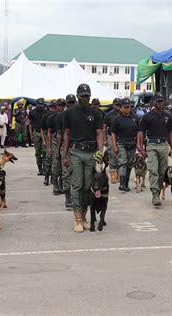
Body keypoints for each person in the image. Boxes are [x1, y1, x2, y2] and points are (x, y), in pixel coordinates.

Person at [63, 84, 104, 233]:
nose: (85, 98)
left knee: (89, 186)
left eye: (87, 95)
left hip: (91, 152)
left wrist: (100, 153)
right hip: (75, 151)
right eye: (83, 96)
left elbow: (99, 133)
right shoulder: (69, 113)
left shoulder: (96, 113)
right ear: (77, 96)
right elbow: (66, 134)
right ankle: (77, 218)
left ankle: (85, 217)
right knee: (77, 184)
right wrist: (64, 155)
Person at [137, 92, 172, 206]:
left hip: (163, 145)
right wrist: (141, 148)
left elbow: (171, 133)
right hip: (151, 145)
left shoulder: (168, 116)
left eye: (161, 101)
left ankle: (159, 188)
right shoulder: (147, 116)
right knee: (153, 170)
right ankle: (155, 194)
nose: (160, 103)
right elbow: (141, 132)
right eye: (158, 101)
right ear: (154, 102)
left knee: (162, 171)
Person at [111, 97, 138, 192]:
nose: (127, 109)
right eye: (125, 107)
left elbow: (139, 132)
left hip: (132, 143)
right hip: (121, 142)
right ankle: (122, 183)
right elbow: (113, 133)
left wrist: (139, 144)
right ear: (121, 108)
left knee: (130, 164)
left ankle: (126, 183)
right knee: (123, 162)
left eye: (128, 107)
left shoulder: (135, 118)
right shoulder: (116, 119)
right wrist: (114, 146)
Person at [57, 94, 76, 208]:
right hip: (67, 146)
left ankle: (77, 197)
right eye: (69, 103)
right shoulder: (61, 116)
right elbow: (59, 133)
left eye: (73, 102)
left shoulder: (80, 114)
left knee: (78, 174)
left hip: (78, 146)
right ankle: (68, 198)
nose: (71, 104)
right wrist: (59, 149)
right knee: (66, 173)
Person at [102, 98, 122, 184]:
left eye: (119, 104)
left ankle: (119, 174)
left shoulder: (124, 114)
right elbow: (104, 128)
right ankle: (113, 175)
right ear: (113, 105)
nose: (118, 106)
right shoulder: (108, 115)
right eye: (116, 104)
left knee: (121, 156)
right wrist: (105, 139)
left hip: (121, 137)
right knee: (112, 155)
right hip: (110, 137)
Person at [47, 98, 64, 195]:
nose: (62, 107)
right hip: (54, 140)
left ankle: (62, 184)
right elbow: (49, 133)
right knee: (56, 163)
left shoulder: (66, 116)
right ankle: (55, 185)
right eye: (60, 105)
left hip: (64, 140)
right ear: (56, 106)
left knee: (64, 164)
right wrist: (49, 147)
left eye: (63, 105)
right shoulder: (52, 117)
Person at [28, 98, 46, 175]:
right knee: (37, 152)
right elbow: (30, 124)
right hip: (36, 132)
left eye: (41, 105)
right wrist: (31, 135)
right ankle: (40, 168)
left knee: (44, 152)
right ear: (36, 104)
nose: (40, 106)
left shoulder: (47, 112)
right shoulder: (32, 112)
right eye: (39, 105)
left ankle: (46, 168)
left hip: (44, 133)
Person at [41, 101, 53, 186]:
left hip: (56, 138)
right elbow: (42, 129)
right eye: (51, 106)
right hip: (48, 137)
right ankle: (46, 177)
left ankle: (54, 178)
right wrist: (44, 140)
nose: (53, 108)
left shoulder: (60, 115)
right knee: (48, 159)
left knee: (56, 161)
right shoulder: (46, 116)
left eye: (54, 106)